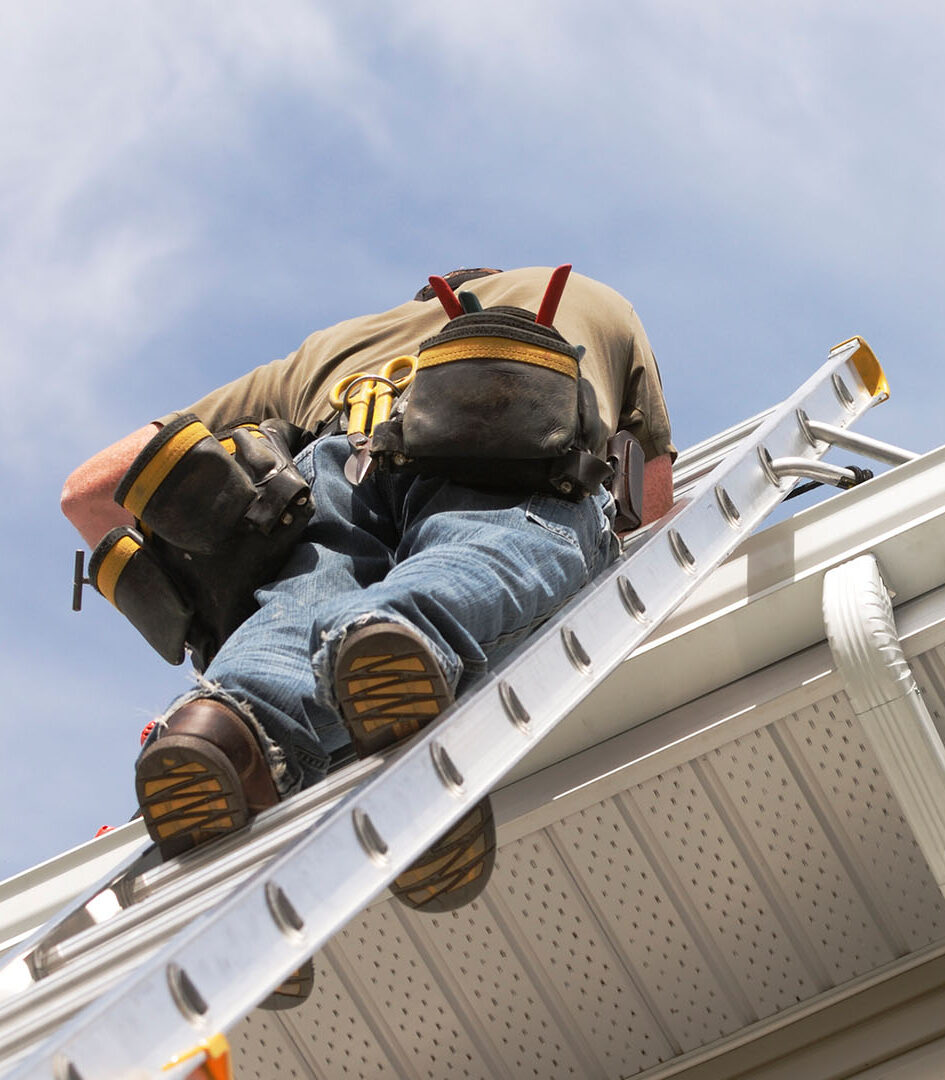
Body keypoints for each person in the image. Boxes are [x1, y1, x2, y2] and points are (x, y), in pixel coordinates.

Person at [61, 267, 675, 927]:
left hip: (335, 465)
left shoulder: (325, 352)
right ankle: (401, 643)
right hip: (509, 427)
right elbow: (656, 518)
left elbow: (91, 489)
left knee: (296, 609)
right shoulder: (594, 301)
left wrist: (191, 598)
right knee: (488, 547)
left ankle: (221, 730)